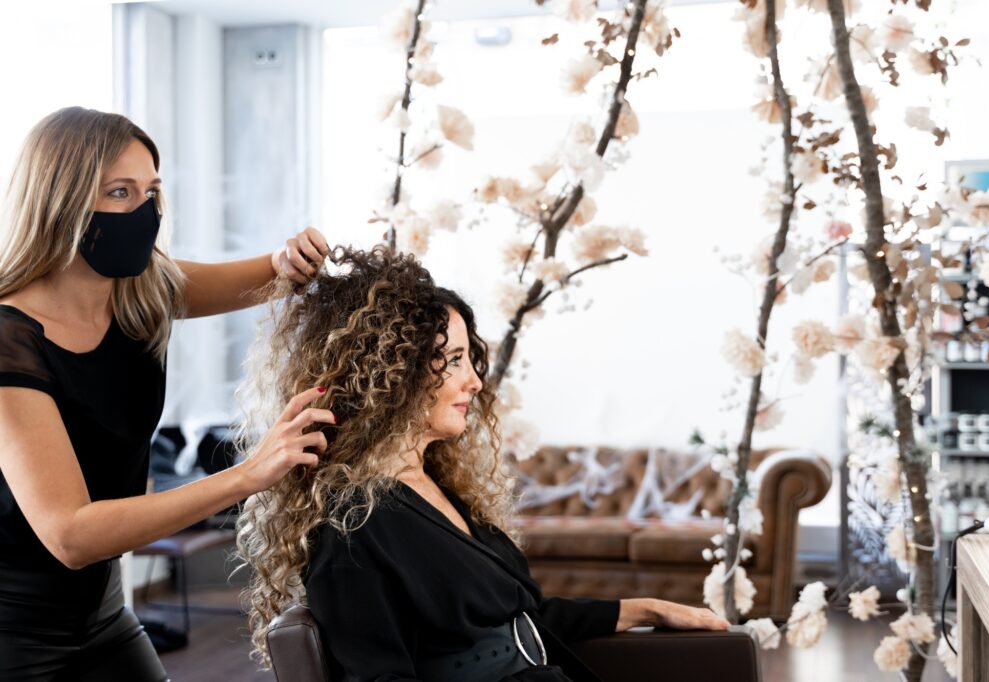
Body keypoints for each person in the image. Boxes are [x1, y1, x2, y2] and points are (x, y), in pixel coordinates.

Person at [236, 246, 729, 682]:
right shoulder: (352, 527)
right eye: (451, 360)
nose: (474, 381)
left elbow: (519, 619)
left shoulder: (431, 484)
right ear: (388, 375)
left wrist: (647, 609)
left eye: (470, 358)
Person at [0, 107, 335, 681]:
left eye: (153, 190)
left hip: (102, 612)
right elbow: (71, 534)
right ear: (62, 201)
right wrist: (248, 475)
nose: (146, 210)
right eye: (120, 192)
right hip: (14, 630)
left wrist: (290, 261)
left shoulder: (138, 294)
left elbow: (264, 275)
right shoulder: (10, 341)